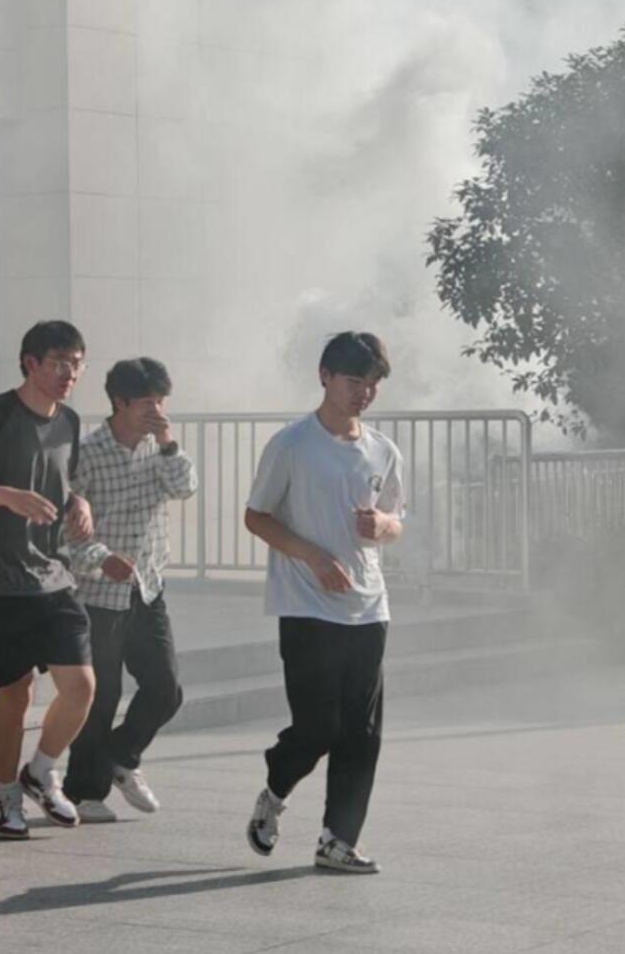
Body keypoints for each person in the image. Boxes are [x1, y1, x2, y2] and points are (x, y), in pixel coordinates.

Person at [243, 332, 405, 874]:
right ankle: (275, 789)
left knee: (362, 732)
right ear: (325, 376)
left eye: (373, 383)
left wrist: (383, 526)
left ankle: (338, 840)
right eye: (354, 380)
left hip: (368, 607)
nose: (364, 392)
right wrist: (312, 556)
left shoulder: (383, 450)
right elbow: (256, 516)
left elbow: (397, 521)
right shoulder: (291, 445)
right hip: (306, 606)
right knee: (317, 728)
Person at [0, 320, 97, 840]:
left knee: (81, 685)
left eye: (77, 364)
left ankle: (42, 770)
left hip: (52, 575)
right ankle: (6, 794)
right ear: (30, 363)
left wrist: (78, 505)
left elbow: (64, 484)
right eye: (59, 363)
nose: (69, 374)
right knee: (17, 695)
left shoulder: (70, 421)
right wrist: (7, 496)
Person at [63, 357, 197, 822]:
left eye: (161, 401)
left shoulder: (160, 449)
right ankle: (84, 792)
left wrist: (168, 443)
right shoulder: (86, 453)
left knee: (166, 689)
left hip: (148, 588)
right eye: (146, 403)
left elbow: (185, 487)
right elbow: (64, 532)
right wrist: (103, 558)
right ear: (119, 402)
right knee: (101, 697)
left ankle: (121, 756)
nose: (156, 411)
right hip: (98, 594)